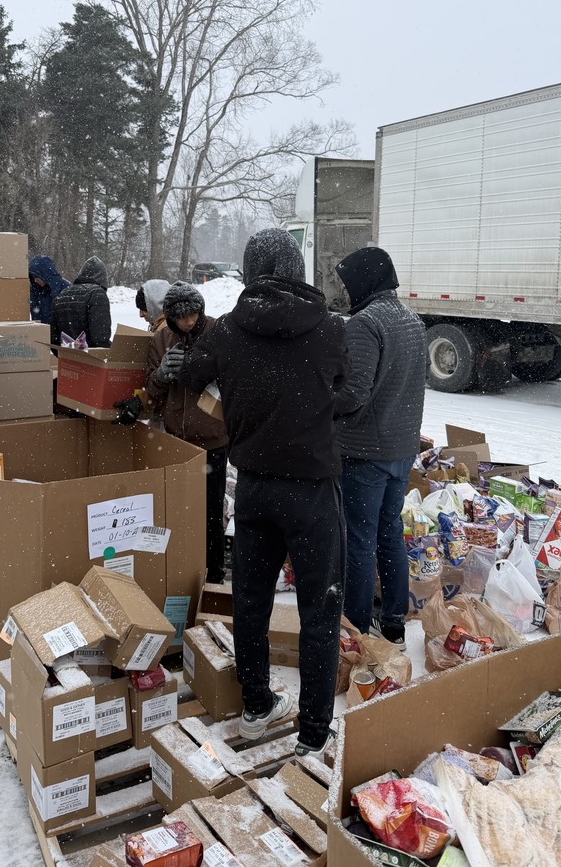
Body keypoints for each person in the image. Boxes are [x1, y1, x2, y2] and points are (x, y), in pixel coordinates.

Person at [180, 228, 348, 759]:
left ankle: (255, 707)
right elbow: (346, 392)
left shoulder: (228, 330)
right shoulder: (330, 329)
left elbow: (192, 376)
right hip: (313, 492)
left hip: (253, 487)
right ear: (296, 268)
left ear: (251, 271)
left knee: (250, 604)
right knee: (319, 613)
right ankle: (314, 734)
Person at [333, 246, 428, 649]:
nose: (345, 290)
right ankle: (393, 623)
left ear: (364, 281)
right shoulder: (413, 322)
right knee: (389, 533)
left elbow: (354, 392)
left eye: (347, 282)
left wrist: (319, 402)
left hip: (365, 453)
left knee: (359, 538)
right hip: (401, 449)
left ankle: (355, 626)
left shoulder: (364, 324)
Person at [145, 281, 229, 584]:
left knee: (209, 515)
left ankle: (214, 574)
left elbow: (233, 380)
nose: (188, 322)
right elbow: (151, 392)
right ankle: (181, 570)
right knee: (177, 512)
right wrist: (161, 374)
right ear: (170, 317)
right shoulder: (162, 339)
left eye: (193, 315)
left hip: (213, 440)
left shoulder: (218, 333)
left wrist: (199, 367)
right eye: (181, 317)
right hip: (175, 439)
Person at [51, 256, 111, 348]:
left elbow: (53, 336)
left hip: (66, 356)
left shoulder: (62, 294)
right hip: (91, 358)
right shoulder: (97, 294)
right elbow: (100, 337)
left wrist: (66, 352)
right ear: (103, 278)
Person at [29, 255, 70, 326]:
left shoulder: (65, 288)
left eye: (37, 277)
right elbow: (35, 314)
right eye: (33, 277)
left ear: (45, 275)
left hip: (61, 332)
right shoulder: (35, 289)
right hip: (42, 331)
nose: (35, 280)